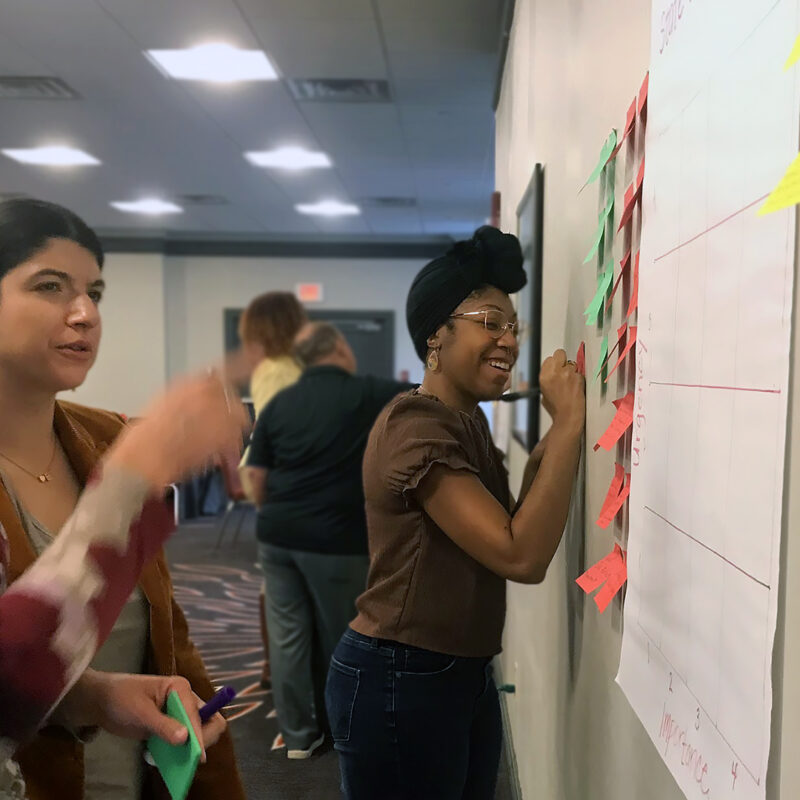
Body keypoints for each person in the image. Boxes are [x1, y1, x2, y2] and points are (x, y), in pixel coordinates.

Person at [324, 226, 586, 799]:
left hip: (454, 671)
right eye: (490, 322)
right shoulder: (415, 425)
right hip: (401, 674)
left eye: (513, 327)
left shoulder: (466, 421)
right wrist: (567, 426)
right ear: (436, 336)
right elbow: (520, 554)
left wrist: (552, 442)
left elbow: (511, 526)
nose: (509, 341)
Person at [0, 197, 246, 800]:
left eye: (96, 293)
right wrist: (131, 481)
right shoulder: (129, 459)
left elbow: (168, 636)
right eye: (50, 285)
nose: (84, 313)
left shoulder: (106, 439)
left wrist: (100, 695)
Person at [245, 322, 414, 760]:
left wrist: (277, 518)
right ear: (340, 347)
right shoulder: (370, 393)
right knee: (343, 637)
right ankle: (345, 728)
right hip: (336, 541)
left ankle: (299, 738)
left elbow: (256, 477)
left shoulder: (280, 404)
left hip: (277, 536)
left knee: (287, 638)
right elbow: (432, 397)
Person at [236, 291, 307, 689]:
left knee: (281, 579)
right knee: (284, 581)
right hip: (290, 487)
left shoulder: (276, 369)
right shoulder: (285, 370)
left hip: (282, 486)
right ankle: (278, 667)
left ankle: (277, 666)